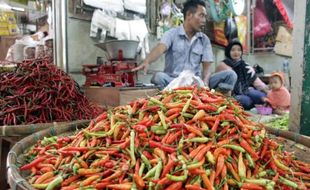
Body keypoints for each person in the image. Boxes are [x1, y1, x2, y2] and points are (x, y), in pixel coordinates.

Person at [132, 0, 237, 92]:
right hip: (173, 81)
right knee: (158, 77)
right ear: (189, 15)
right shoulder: (171, 34)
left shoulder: (204, 39)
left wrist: (205, 83)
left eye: (205, 16)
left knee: (230, 75)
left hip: (196, 83)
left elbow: (207, 68)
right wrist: (147, 61)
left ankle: (219, 102)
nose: (204, 20)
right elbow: (160, 48)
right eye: (201, 15)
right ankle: (175, 98)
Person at [215, 39, 268, 110]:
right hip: (230, 94)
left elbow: (257, 82)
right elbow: (217, 84)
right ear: (228, 51)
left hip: (245, 90)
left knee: (262, 97)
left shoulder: (245, 65)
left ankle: (253, 104)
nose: (236, 52)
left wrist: (270, 92)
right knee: (246, 101)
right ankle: (251, 104)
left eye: (239, 50)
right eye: (233, 50)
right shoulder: (223, 65)